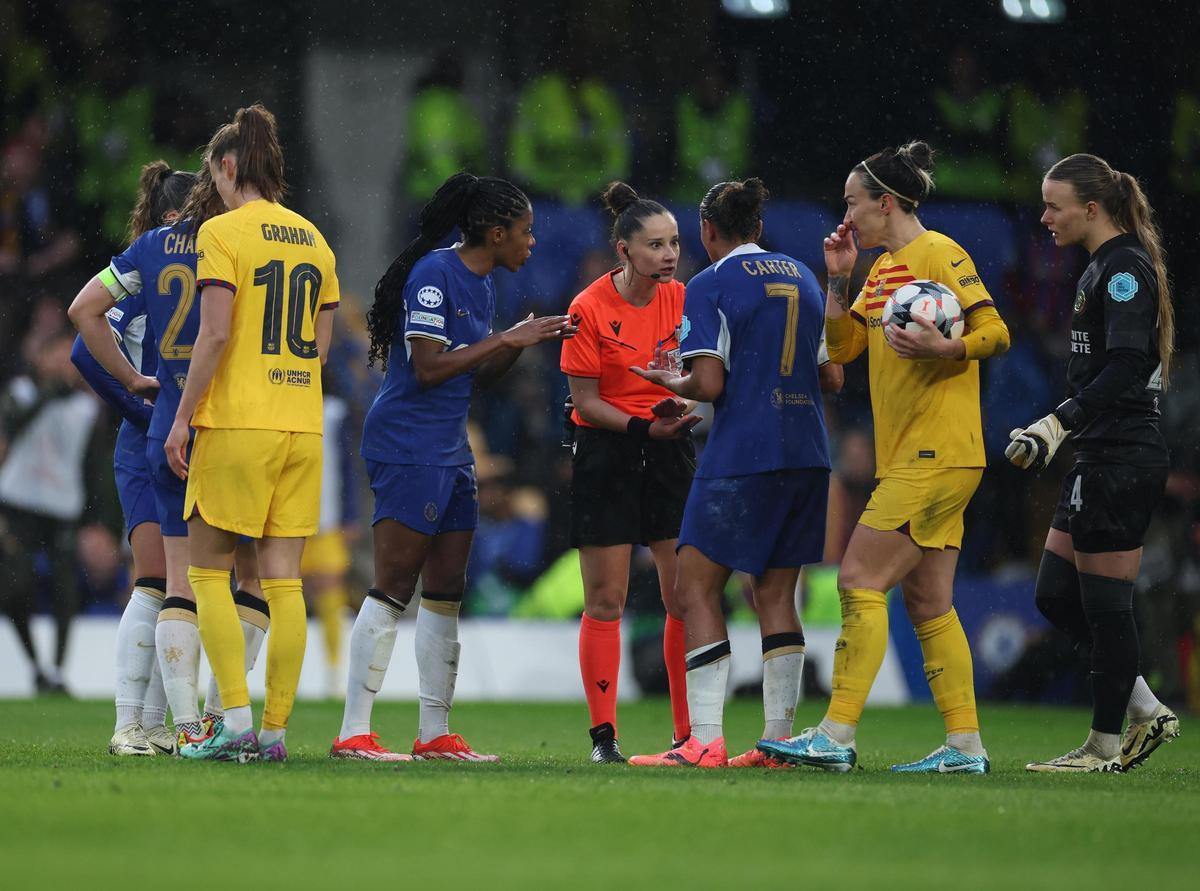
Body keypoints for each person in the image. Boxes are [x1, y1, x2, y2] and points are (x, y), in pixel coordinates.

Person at [760, 142, 1011, 774]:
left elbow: (995, 332)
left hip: (936, 450)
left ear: (887, 202)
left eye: (852, 203)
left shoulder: (940, 253)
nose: (845, 216)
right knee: (929, 600)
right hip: (923, 456)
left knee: (857, 579)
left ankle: (836, 734)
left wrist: (945, 349)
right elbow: (843, 351)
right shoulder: (881, 270)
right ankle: (965, 747)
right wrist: (839, 278)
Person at [332, 172, 574, 762]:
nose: (532, 243)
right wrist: (506, 340)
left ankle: (435, 734)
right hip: (407, 443)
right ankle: (353, 733)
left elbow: (474, 371)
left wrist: (514, 347)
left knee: (446, 591)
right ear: (495, 233)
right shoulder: (436, 275)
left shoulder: (485, 284)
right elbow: (430, 367)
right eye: (525, 232)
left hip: (450, 446)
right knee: (393, 585)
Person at [622, 178, 834, 768]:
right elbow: (833, 377)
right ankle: (780, 744)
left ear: (707, 232)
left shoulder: (709, 284)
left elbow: (709, 385)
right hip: (808, 451)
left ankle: (705, 740)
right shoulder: (803, 276)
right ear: (759, 228)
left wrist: (672, 382)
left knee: (694, 587)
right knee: (774, 593)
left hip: (745, 452)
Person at [68, 161, 269, 754]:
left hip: (186, 428)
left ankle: (190, 722)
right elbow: (85, 346)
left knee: (202, 579)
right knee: (158, 578)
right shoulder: (162, 265)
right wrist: (137, 396)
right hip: (156, 437)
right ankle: (135, 722)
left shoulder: (174, 258)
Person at [163, 104, 339, 762]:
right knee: (283, 582)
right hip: (302, 425)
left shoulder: (223, 234)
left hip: (238, 419)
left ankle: (231, 721)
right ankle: (274, 731)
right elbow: (320, 350)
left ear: (228, 166)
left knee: (208, 573)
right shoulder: (315, 239)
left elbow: (212, 333)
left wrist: (181, 418)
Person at [1015, 153, 1180, 772]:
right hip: (1099, 452)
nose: (1044, 217)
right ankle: (1144, 706)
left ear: (1091, 208)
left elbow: (1129, 367)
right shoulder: (1099, 269)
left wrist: (1061, 419)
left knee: (1107, 606)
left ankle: (1103, 745)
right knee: (1056, 593)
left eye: (1054, 206)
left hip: (1121, 456)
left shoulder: (1123, 272)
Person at [559, 181, 698, 763]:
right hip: (608, 452)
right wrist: (644, 428)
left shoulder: (684, 298)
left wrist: (686, 403)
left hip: (668, 450)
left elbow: (695, 374)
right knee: (607, 600)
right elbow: (586, 402)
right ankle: (604, 738)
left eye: (674, 243)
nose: (669, 255)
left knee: (683, 598)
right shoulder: (587, 309)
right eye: (656, 246)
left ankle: (688, 737)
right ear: (624, 252)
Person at [0, 327, 98, 694]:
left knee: (65, 591)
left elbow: (91, 465)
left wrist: (93, 520)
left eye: (66, 354)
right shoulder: (20, 393)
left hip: (61, 509)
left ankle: (56, 670)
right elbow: (12, 427)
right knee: (15, 586)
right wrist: (46, 397)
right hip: (18, 505)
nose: (60, 362)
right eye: (53, 353)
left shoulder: (86, 408)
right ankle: (33, 663)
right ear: (39, 357)